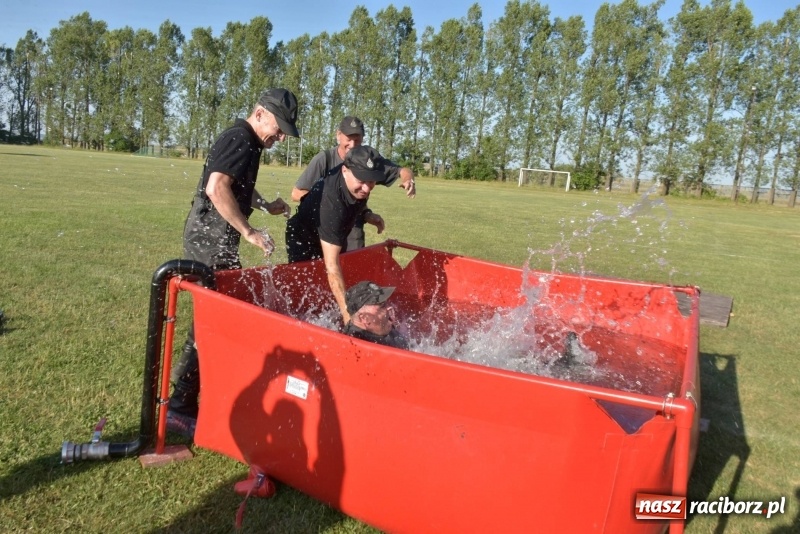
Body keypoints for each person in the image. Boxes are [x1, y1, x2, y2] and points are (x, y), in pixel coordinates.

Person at [167, 88, 300, 438]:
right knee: (211, 322)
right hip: (209, 241)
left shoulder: (247, 141)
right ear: (259, 113)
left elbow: (235, 184)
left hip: (214, 240)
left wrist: (263, 204)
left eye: (285, 129)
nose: (281, 135)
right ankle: (179, 407)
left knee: (217, 320)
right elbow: (216, 187)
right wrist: (248, 230)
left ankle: (201, 395)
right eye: (278, 126)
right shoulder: (240, 137)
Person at [286, 144, 387, 324]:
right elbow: (332, 267)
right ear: (345, 171)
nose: (366, 188)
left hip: (332, 230)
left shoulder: (357, 181)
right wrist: (349, 318)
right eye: (362, 181)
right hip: (304, 239)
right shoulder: (331, 203)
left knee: (332, 292)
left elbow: (356, 201)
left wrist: (366, 214)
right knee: (307, 297)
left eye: (371, 181)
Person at [291, 116, 416, 251]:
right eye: (348, 139)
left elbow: (402, 170)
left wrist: (408, 179)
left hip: (352, 227)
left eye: (357, 140)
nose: (352, 144)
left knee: (353, 267)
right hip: (323, 225)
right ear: (338, 135)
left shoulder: (368, 160)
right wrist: (329, 204)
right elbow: (297, 193)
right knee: (324, 267)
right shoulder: (324, 159)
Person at [343, 281, 408, 350]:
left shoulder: (382, 328)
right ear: (365, 318)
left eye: (386, 303)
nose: (389, 308)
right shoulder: (356, 349)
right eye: (382, 306)